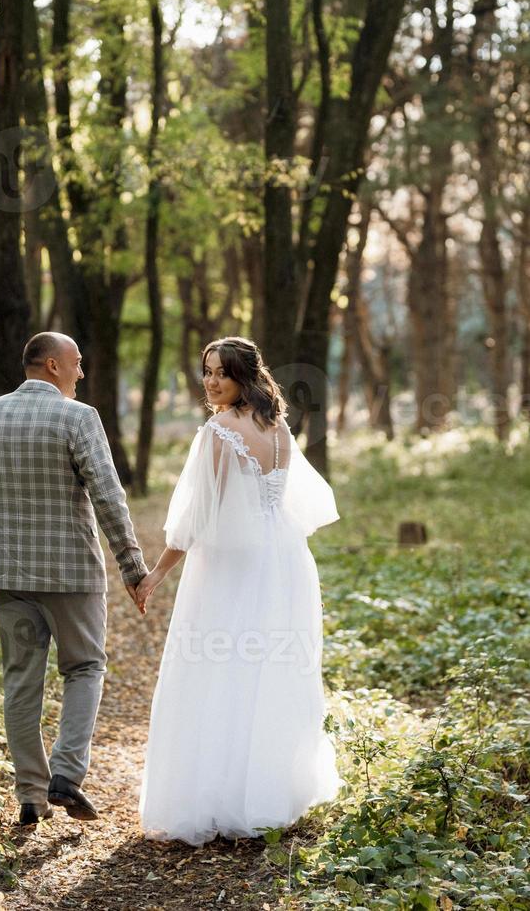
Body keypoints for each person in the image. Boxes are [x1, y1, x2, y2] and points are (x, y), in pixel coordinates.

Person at [136, 337, 343, 846]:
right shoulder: (277, 427)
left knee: (219, 667)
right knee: (267, 666)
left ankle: (220, 795)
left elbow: (196, 519)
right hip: (285, 559)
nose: (211, 382)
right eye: (206, 371)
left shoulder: (220, 431)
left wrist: (156, 573)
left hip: (233, 566)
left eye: (221, 374)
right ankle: (271, 791)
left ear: (244, 376)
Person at [0, 332, 148, 826]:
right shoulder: (77, 417)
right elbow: (108, 496)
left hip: (6, 575)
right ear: (52, 365)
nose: (81, 373)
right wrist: (132, 567)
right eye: (77, 363)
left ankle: (30, 794)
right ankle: (66, 775)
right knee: (85, 667)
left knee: (21, 681)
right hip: (71, 574)